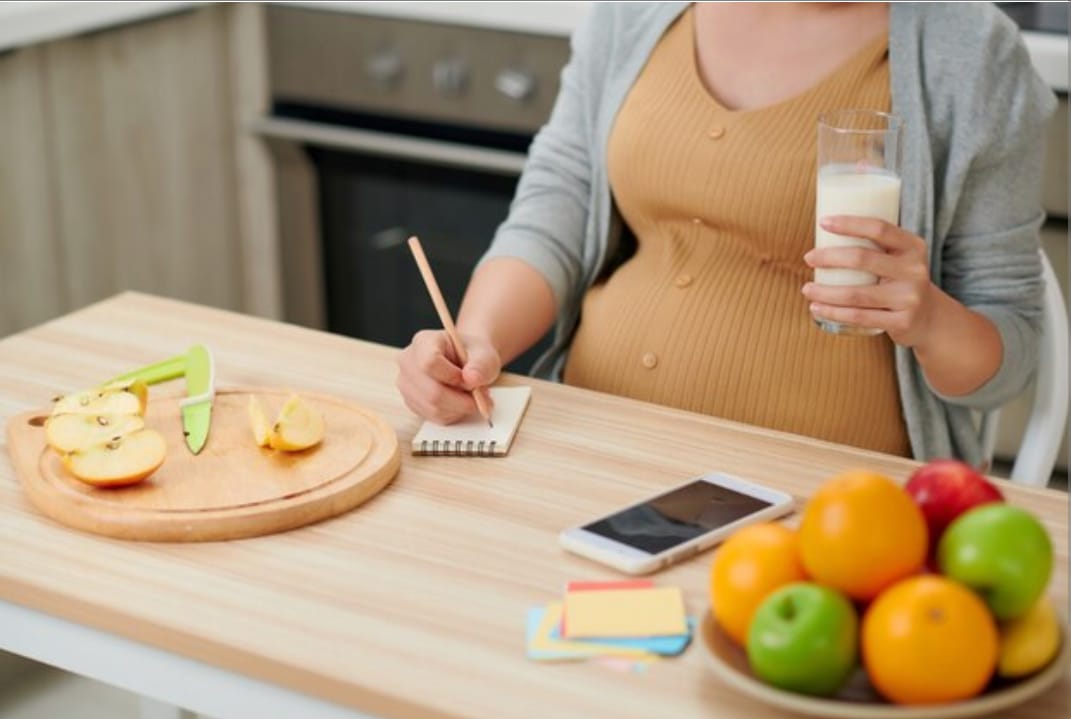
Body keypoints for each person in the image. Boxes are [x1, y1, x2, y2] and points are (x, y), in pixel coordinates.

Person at [396, 2, 1056, 467]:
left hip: (822, 504)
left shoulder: (971, 53)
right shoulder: (637, 13)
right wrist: (477, 339)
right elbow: (557, 204)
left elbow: (1009, 355)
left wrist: (929, 319)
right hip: (588, 449)